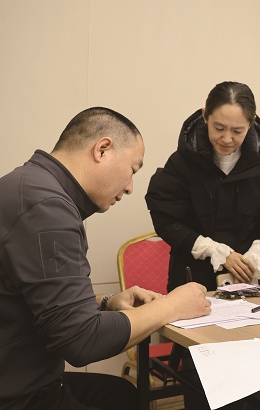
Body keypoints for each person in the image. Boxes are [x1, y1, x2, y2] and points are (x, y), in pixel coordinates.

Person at [0, 107, 211, 410]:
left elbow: (34, 300)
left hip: (22, 373)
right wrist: (173, 306)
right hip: (19, 395)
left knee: (122, 395)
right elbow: (82, 341)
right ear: (102, 149)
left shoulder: (30, 185)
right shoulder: (47, 208)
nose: (130, 187)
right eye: (133, 170)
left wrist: (105, 303)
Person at [146, 81, 260, 292]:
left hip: (252, 278)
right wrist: (211, 249)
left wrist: (259, 249)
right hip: (193, 280)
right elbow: (166, 219)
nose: (227, 139)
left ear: (251, 122)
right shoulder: (182, 162)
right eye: (218, 128)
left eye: (237, 131)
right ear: (205, 116)